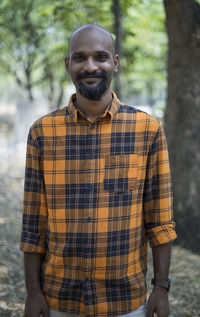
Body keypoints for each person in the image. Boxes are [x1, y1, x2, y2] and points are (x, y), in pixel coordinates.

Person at [20, 24, 177, 317]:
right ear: (68, 65)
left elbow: (160, 220)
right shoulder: (42, 132)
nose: (90, 66)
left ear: (115, 62)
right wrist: (33, 293)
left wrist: (160, 288)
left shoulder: (147, 130)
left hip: (126, 303)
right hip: (59, 300)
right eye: (80, 58)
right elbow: (33, 224)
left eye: (101, 57)